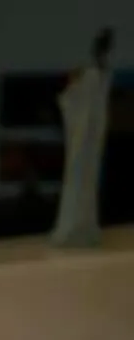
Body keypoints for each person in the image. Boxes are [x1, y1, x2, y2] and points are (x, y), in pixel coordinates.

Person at [51, 26, 113, 251]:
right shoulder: (81, 92)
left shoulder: (92, 86)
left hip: (85, 148)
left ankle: (79, 228)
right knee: (78, 183)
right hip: (79, 148)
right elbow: (70, 101)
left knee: (83, 183)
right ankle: (73, 229)